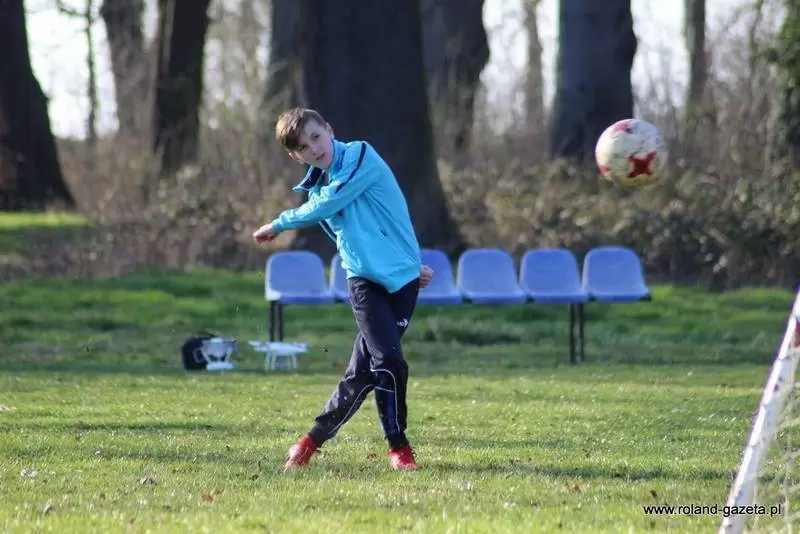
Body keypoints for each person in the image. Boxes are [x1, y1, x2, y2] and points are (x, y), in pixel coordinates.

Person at [253, 107, 434, 471]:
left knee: (363, 373)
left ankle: (309, 442)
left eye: (316, 137)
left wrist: (280, 223)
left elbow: (338, 205)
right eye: (303, 147)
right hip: (363, 282)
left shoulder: (361, 156)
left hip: (402, 283)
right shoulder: (317, 187)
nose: (314, 148)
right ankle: (399, 449)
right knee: (389, 361)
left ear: (330, 130)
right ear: (296, 157)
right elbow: (354, 229)